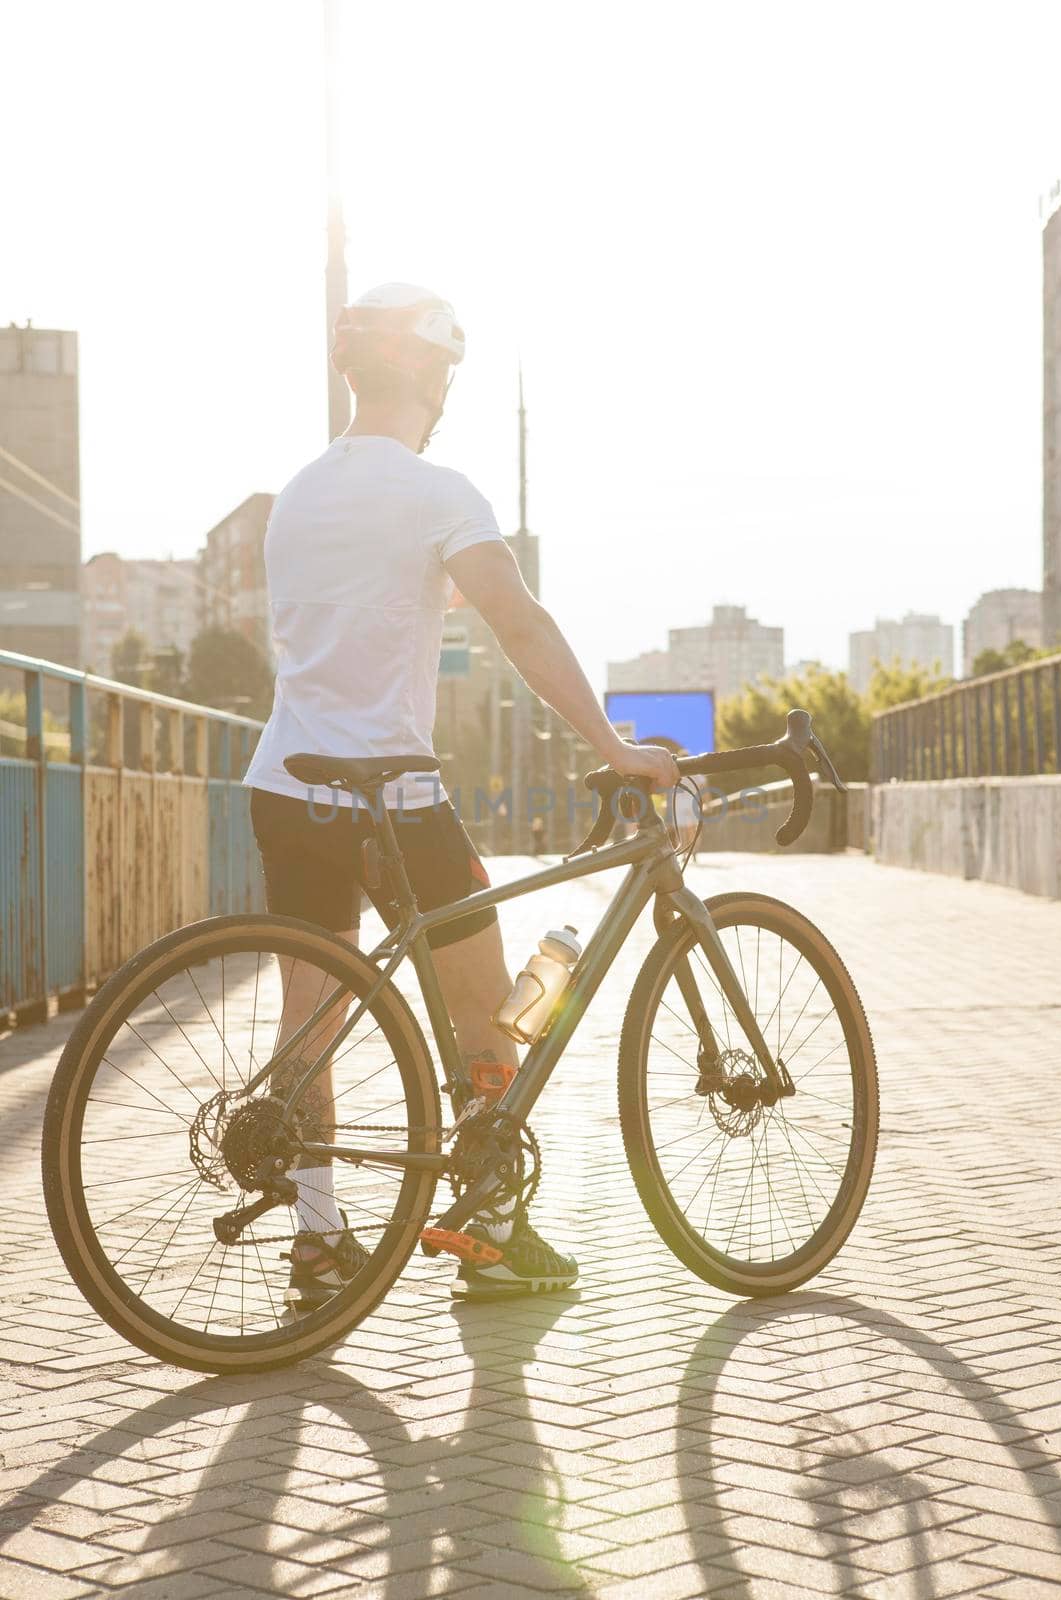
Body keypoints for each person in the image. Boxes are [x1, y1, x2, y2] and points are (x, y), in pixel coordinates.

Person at [243, 282, 678, 1308]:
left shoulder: (300, 492)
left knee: (309, 1017)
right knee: (487, 1010)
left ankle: (317, 1237)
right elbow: (516, 623)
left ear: (353, 372)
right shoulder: (439, 494)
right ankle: (489, 1226)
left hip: (288, 780)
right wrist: (609, 742)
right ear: (436, 380)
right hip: (393, 791)